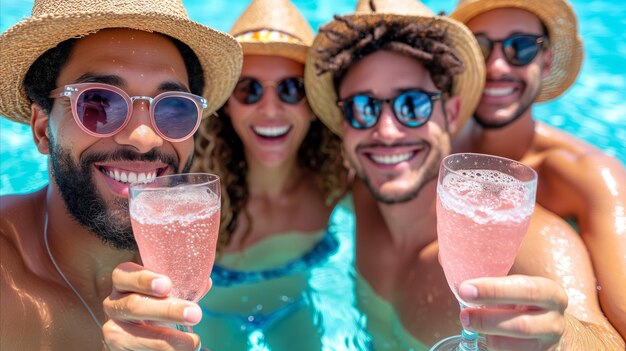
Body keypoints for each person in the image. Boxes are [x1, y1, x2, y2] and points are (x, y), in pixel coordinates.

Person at [305, 0, 625, 349]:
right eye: (362, 108)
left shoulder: (526, 237)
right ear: (343, 125)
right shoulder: (357, 189)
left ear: (452, 113)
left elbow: (602, 337)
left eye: (412, 105)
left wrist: (561, 339)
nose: (387, 131)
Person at [102, 0, 356, 350]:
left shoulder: (337, 181)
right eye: (248, 90)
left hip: (293, 310)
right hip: (211, 321)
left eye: (290, 89)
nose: (270, 109)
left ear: (312, 103)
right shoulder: (188, 199)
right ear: (227, 106)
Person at [0, 0, 242, 349]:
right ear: (41, 129)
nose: (143, 139)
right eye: (98, 103)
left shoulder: (189, 247)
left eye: (173, 109)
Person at [450, 0, 626, 338]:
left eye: (521, 47)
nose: (497, 66)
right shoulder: (432, 148)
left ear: (545, 62)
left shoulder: (590, 175)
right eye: (480, 47)